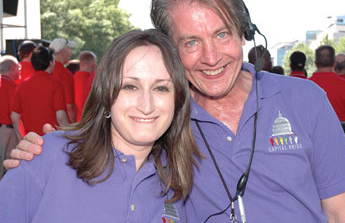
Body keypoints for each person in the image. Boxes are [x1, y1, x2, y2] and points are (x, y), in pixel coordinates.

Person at [6, 0, 345, 222]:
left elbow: (340, 213)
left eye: (221, 34)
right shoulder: (161, 121)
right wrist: (49, 150)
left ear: (244, 32)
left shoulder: (306, 100)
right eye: (191, 42)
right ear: (171, 51)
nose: (210, 57)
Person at [0, 29, 200, 222]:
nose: (146, 105)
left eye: (161, 88)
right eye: (130, 86)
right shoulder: (48, 157)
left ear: (178, 100)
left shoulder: (180, 182)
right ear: (106, 95)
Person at [10, 45, 69, 140]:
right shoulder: (56, 84)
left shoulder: (22, 85)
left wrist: (20, 137)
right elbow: (61, 116)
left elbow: (14, 116)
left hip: (31, 138)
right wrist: (69, 134)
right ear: (50, 63)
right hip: (51, 138)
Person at [309, 45, 345, 121]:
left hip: (313, 132)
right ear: (334, 64)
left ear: (315, 64)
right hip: (343, 131)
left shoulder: (306, 85)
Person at [0, 55, 20, 179]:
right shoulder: (12, 88)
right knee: (8, 167)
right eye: (18, 68)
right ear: (12, 68)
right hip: (7, 130)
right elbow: (14, 114)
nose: (19, 71)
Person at [49, 38, 77, 123]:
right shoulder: (65, 74)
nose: (71, 52)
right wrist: (73, 126)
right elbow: (70, 105)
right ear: (63, 51)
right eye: (69, 49)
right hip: (61, 126)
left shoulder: (45, 70)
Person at [74, 51, 97, 121]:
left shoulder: (72, 77)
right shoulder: (91, 80)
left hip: (76, 120)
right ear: (92, 65)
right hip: (86, 121)